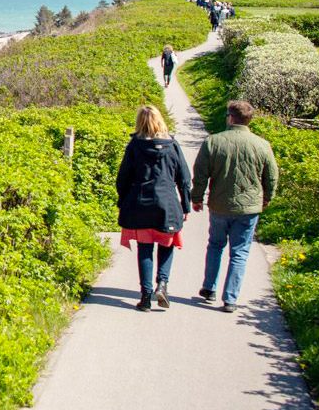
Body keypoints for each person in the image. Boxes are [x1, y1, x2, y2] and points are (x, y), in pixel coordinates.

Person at [192, 100, 280, 313]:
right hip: (249, 208)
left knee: (215, 245)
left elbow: (201, 173)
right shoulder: (262, 144)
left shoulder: (213, 142)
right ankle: (230, 299)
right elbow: (272, 176)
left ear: (230, 117)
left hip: (219, 204)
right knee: (240, 252)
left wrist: (196, 198)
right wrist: (267, 197)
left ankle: (209, 287)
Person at [116, 105, 192, 311]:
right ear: (160, 121)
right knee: (167, 245)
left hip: (140, 204)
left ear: (139, 122)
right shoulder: (172, 145)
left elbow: (123, 178)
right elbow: (184, 178)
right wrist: (186, 205)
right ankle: (163, 284)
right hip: (166, 204)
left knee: (145, 249)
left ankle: (146, 297)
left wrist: (122, 201)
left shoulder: (134, 146)